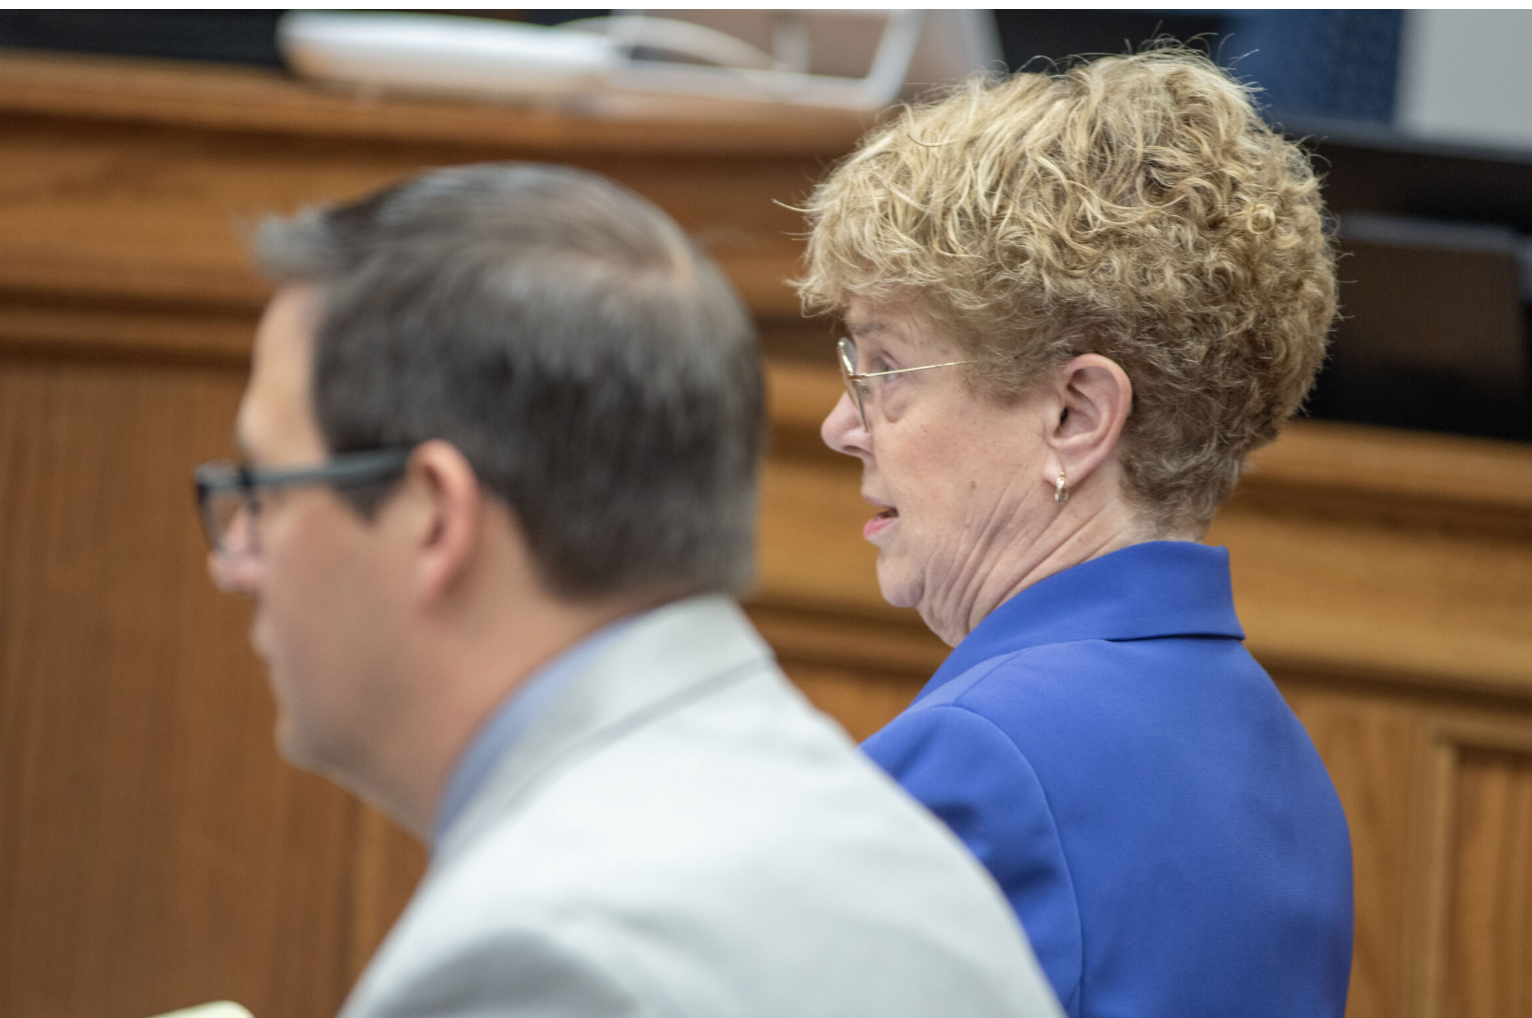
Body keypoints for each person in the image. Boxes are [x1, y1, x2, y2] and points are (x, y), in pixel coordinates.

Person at [196, 162, 1061, 1018]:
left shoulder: (539, 956)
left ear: (433, 517)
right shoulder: (893, 841)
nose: (233, 561)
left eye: (264, 492)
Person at [798, 49, 1354, 1018]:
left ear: (1075, 414)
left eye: (886, 370)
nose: (841, 425)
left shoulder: (977, 761)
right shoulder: (1284, 759)